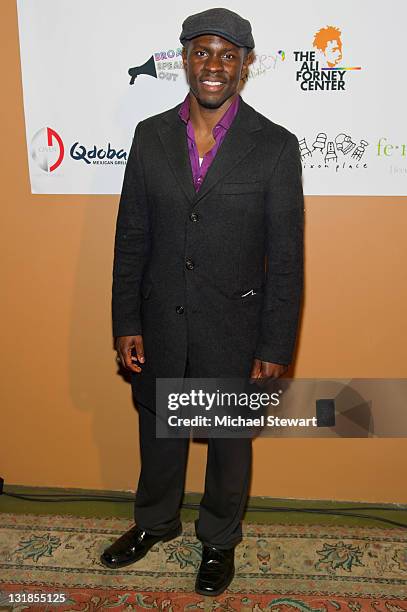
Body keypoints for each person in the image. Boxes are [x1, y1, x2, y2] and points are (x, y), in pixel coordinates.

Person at [101, 7, 304, 597]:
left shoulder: (274, 146)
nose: (214, 64)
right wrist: (126, 319)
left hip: (236, 327)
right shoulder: (150, 136)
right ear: (185, 58)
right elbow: (131, 236)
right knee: (159, 436)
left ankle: (218, 540)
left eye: (228, 54)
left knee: (227, 446)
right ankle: (154, 524)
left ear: (244, 65)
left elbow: (285, 258)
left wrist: (274, 345)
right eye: (203, 51)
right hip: (161, 320)